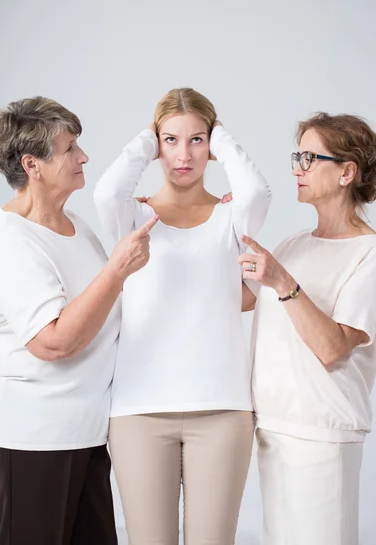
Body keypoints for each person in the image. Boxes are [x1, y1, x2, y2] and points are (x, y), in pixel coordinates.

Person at [94, 87, 272, 545]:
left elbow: (258, 190)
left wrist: (222, 138)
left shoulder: (231, 215)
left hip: (223, 410)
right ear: (156, 145)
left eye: (197, 140)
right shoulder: (133, 216)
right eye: (171, 140)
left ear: (212, 146)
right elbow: (108, 189)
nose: (184, 154)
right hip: (139, 413)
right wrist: (146, 140)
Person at [0, 96, 158, 545]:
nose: (83, 156)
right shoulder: (10, 244)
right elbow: (54, 342)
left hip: (84, 432)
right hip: (34, 437)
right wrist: (117, 269)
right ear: (32, 164)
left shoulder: (74, 225)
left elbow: (107, 308)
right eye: (69, 148)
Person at [238, 112, 376, 545]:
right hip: (273, 428)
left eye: (309, 157)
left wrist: (282, 280)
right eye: (296, 156)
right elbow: (241, 299)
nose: (296, 168)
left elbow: (332, 347)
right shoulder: (293, 244)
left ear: (346, 172)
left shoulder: (371, 254)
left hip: (322, 436)